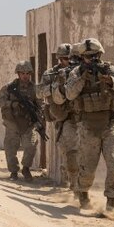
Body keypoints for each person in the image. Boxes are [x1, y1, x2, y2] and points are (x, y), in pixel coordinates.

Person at [64, 38, 114, 213]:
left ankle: (111, 202)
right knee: (88, 167)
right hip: (88, 126)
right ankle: (83, 193)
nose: (91, 60)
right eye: (87, 57)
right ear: (82, 58)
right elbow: (69, 94)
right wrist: (82, 80)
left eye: (94, 56)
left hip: (111, 123)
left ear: (100, 55)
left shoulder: (110, 70)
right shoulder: (76, 73)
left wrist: (111, 81)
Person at [38, 43, 80, 192]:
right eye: (64, 59)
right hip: (64, 117)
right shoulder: (51, 74)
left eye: (70, 58)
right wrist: (56, 86)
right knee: (69, 150)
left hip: (83, 116)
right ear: (59, 59)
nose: (67, 62)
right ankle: (73, 184)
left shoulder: (80, 70)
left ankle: (77, 181)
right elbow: (39, 92)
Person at [0, 60, 42, 181]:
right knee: (10, 148)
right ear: (18, 74)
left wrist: (38, 116)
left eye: (27, 73)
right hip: (12, 122)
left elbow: (40, 105)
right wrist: (13, 104)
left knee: (31, 146)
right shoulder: (9, 88)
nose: (25, 76)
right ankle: (14, 172)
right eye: (23, 73)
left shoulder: (35, 89)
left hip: (28, 123)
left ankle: (26, 168)